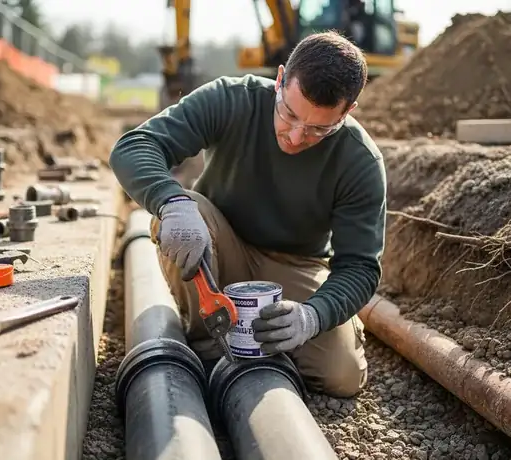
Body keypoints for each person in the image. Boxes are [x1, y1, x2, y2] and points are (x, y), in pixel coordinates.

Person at [109, 30, 386, 398]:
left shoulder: (359, 161)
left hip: (294, 268)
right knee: (185, 210)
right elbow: (135, 146)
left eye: (319, 128)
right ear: (280, 79)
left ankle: (262, 350)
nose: (296, 136)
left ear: (348, 111)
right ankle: (208, 346)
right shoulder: (232, 99)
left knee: (342, 375)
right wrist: (170, 201)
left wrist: (312, 316)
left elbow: (359, 267)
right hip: (218, 246)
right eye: (289, 114)